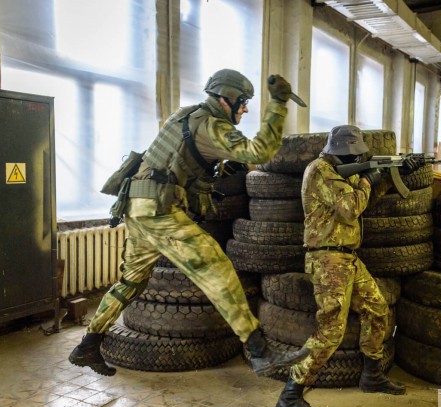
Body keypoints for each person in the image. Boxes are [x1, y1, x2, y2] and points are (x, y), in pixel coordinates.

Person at [69, 69, 309, 377]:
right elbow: (260, 152)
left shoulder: (183, 116)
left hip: (137, 206)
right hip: (159, 210)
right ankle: (260, 352)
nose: (246, 109)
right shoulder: (212, 126)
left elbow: (176, 163)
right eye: (244, 102)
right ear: (227, 100)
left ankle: (88, 344)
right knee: (217, 267)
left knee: (132, 281)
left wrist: (215, 172)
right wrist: (278, 103)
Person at [274, 125, 420, 407]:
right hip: (327, 259)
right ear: (342, 152)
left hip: (348, 258)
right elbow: (350, 208)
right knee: (330, 331)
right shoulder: (320, 171)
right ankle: (290, 396)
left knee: (377, 309)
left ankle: (372, 376)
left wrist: (396, 174)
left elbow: (367, 199)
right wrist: (369, 177)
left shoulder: (344, 171)